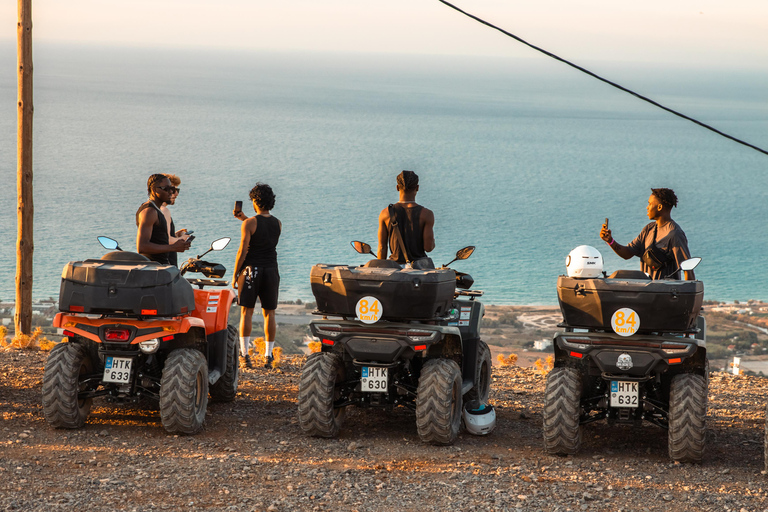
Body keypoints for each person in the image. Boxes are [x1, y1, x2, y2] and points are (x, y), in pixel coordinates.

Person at [233, 183, 281, 369]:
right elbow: (263, 234)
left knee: (247, 311)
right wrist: (244, 219)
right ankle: (268, 356)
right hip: (271, 270)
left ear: (254, 201)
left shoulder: (249, 223)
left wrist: (236, 273)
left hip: (251, 271)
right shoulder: (277, 223)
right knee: (270, 313)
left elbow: (242, 251)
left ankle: (245, 355)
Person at [600, 188, 694, 280]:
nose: (647, 207)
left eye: (650, 204)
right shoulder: (649, 229)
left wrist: (689, 293)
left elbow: (688, 269)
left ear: (659, 207)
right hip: (647, 292)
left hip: (666, 293)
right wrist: (610, 241)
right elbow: (627, 253)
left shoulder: (674, 234)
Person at [377, 170, 435, 264]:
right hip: (418, 267)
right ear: (417, 188)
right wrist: (432, 242)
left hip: (395, 267)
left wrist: (381, 269)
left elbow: (382, 247)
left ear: (397, 188)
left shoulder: (385, 213)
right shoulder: (426, 214)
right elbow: (428, 248)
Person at [136, 174, 191, 264]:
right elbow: (142, 247)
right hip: (156, 270)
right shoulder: (149, 211)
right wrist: (174, 247)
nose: (171, 192)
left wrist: (175, 236)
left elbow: (156, 238)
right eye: (166, 189)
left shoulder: (156, 210)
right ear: (154, 190)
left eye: (172, 188)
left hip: (162, 268)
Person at [159, 174, 190, 267]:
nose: (176, 194)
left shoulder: (152, 209)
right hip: (167, 265)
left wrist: (175, 235)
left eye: (177, 190)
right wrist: (183, 239)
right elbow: (168, 241)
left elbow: (158, 238)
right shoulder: (164, 211)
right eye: (173, 190)